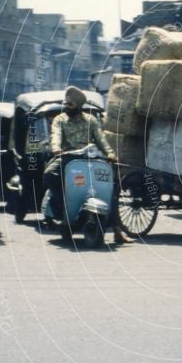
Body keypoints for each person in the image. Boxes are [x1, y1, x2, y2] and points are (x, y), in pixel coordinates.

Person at [43, 86, 133, 244]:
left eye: (70, 104)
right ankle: (60, 208)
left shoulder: (91, 120)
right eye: (65, 103)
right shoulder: (60, 119)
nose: (66, 107)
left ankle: (117, 230)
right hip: (67, 158)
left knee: (111, 185)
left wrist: (110, 154)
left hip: (90, 158)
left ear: (79, 105)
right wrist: (56, 148)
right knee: (50, 173)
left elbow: (101, 139)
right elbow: (55, 135)